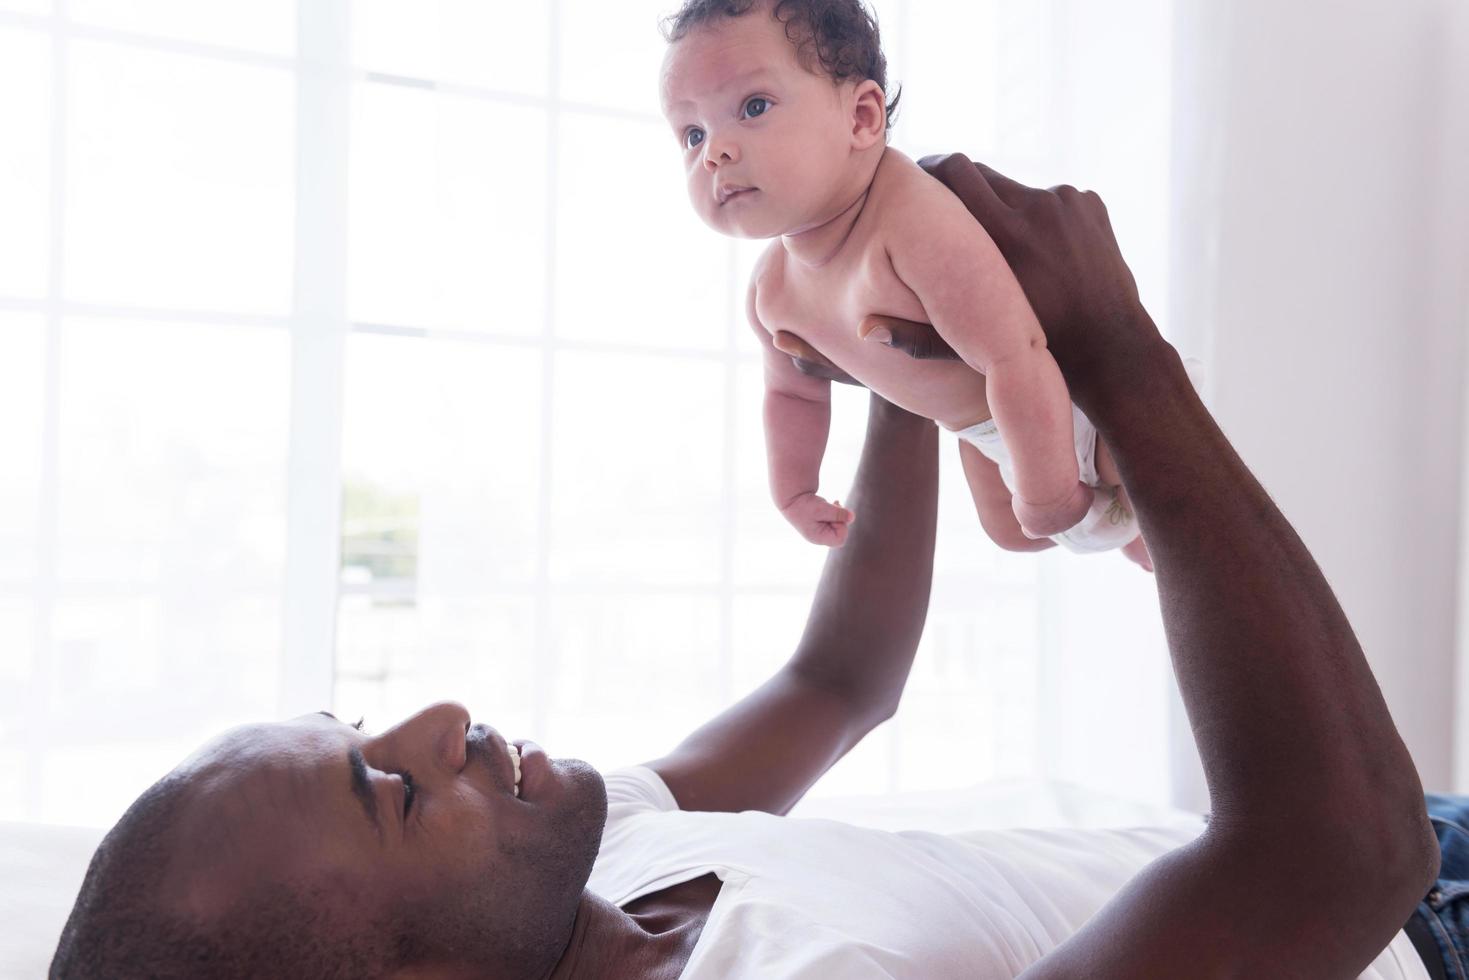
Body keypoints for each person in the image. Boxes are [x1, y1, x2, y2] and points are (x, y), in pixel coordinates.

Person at [50, 154, 1449, 978]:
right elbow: (1339, 857)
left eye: (357, 725)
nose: (436, 720)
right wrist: (1117, 348)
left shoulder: (592, 857)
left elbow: (842, 681)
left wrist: (894, 359)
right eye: (388, 790)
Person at [659, 0, 1151, 568]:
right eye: (692, 134)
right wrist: (794, 488)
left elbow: (1015, 354)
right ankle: (1129, 534)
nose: (717, 151)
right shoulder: (771, 292)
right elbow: (791, 392)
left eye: (753, 106)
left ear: (861, 118)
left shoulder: (910, 219)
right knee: (1010, 531)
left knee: (1138, 466)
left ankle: (1151, 531)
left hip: (1067, 396)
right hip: (985, 428)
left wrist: (1055, 491)